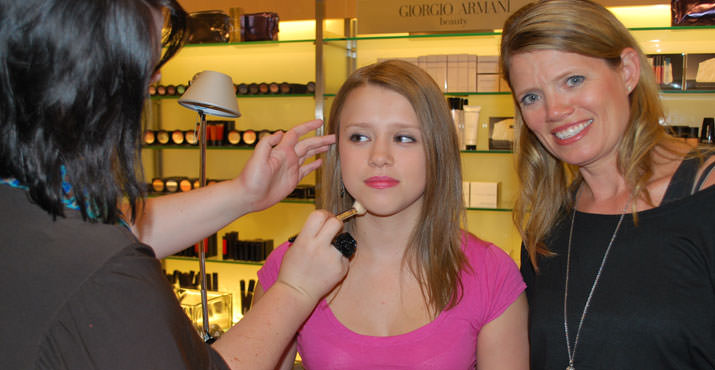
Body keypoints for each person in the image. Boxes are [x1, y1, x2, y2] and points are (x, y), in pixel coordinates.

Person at [0, 0, 348, 369]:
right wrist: (296, 289)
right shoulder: (104, 276)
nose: (156, 81)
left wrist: (245, 193)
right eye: (144, 67)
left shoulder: (21, 197)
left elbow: (102, 229)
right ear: (84, 79)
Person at [254, 59, 529, 369]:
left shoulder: (490, 274)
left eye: (403, 138)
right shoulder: (290, 268)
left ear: (437, 149)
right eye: (359, 137)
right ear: (337, 150)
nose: (379, 157)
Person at [499, 0, 715, 368]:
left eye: (573, 80)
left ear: (628, 71)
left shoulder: (704, 198)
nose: (554, 112)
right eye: (532, 97)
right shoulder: (546, 229)